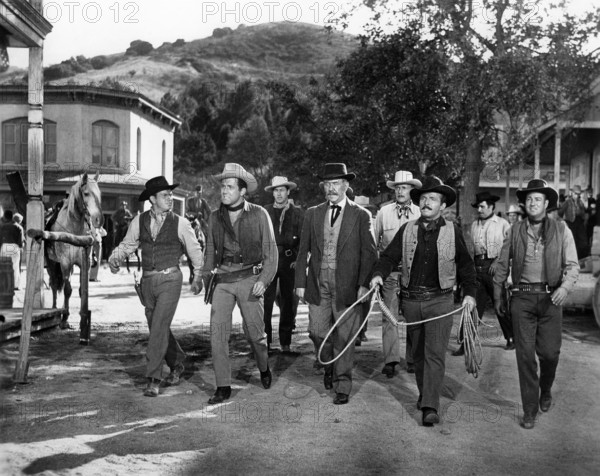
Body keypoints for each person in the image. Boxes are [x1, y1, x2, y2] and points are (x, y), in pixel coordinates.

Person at [370, 176, 477, 426]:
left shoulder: (454, 232)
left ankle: (430, 405)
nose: (428, 202)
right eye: (425, 198)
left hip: (440, 302)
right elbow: (388, 257)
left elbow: (467, 268)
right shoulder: (407, 229)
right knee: (417, 355)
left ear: (442, 205)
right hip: (411, 301)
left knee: (434, 354)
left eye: (433, 199)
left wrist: (470, 294)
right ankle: (425, 393)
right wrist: (377, 275)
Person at [493, 179, 579, 429]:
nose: (532, 203)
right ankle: (529, 409)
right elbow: (501, 265)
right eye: (529, 199)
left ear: (547, 204)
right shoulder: (515, 230)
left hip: (552, 298)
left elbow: (572, 266)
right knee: (525, 357)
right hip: (522, 298)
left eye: (538, 199)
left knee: (550, 354)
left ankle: (546, 389)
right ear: (524, 203)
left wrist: (564, 288)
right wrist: (498, 296)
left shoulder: (562, 230)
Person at [108, 176, 204, 397]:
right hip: (147, 281)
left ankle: (153, 378)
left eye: (170, 194)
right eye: (165, 195)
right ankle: (178, 361)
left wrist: (198, 277)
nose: (170, 198)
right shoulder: (138, 221)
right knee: (157, 328)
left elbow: (196, 252)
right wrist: (115, 258)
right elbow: (128, 244)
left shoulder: (181, 223)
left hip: (171, 279)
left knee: (158, 327)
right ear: (152, 199)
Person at [295, 163, 377, 405]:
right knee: (317, 331)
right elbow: (303, 252)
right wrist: (300, 282)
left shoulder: (361, 215)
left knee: (344, 336)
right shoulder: (312, 213)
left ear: (346, 185)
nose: (331, 188)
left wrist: (363, 285)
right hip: (318, 282)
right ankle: (328, 362)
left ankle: (343, 384)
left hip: (348, 285)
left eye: (336, 184)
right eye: (327, 184)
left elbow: (370, 253)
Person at [202, 163, 278, 405]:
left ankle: (264, 367)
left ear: (243, 191)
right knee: (218, 334)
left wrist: (264, 281)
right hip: (223, 280)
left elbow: (271, 253)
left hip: (250, 279)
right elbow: (210, 251)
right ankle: (223, 386)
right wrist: (204, 278)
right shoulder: (215, 217)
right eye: (223, 186)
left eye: (230, 187)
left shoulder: (258, 214)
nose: (224, 191)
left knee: (256, 335)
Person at [373, 170, 422, 377]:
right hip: (391, 272)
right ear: (394, 190)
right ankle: (391, 360)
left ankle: (412, 359)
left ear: (412, 189)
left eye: (405, 187)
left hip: (414, 273)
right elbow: (374, 242)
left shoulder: (420, 212)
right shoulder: (384, 212)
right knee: (389, 315)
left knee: (413, 315)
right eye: (398, 187)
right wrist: (377, 272)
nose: (401, 191)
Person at [454, 191, 513, 356]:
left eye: (482, 206)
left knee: (499, 304)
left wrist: (498, 261)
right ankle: (466, 342)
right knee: (472, 306)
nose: (479, 209)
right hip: (478, 267)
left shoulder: (502, 224)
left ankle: (511, 337)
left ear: (491, 207)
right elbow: (472, 249)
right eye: (478, 206)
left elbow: (509, 248)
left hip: (495, 268)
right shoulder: (474, 225)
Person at [263, 176, 304, 353]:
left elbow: (305, 239)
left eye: (282, 190)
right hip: (269, 260)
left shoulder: (298, 213)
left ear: (288, 191)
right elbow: (258, 237)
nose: (279, 194)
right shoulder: (264, 212)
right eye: (276, 190)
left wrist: (299, 260)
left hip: (289, 261)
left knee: (288, 302)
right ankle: (265, 342)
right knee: (266, 301)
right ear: (272, 192)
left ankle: (285, 343)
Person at [558, 184, 587, 258]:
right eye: (575, 194)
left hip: (579, 222)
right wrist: (562, 221)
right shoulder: (567, 202)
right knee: (572, 240)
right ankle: (572, 257)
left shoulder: (580, 202)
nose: (577, 195)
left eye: (578, 194)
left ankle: (579, 257)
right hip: (570, 222)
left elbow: (583, 212)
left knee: (582, 241)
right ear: (572, 193)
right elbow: (560, 212)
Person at [0, 210, 25, 290]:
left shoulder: (2, 226)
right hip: (14, 247)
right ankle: (15, 286)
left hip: (4, 247)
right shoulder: (19, 227)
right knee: (15, 267)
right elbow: (20, 242)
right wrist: (21, 247)